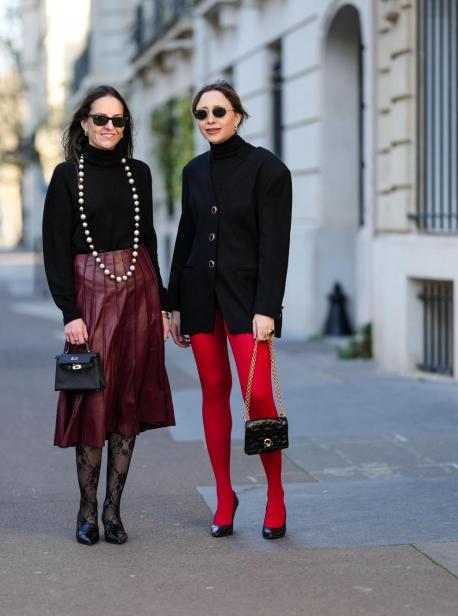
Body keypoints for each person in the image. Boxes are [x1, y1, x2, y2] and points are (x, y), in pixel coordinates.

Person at [42, 85, 175, 546]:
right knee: (93, 399)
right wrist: (69, 312)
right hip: (91, 293)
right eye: (102, 120)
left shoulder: (138, 173)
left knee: (126, 402)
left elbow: (150, 239)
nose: (110, 128)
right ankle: (86, 510)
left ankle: (113, 510)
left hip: (138, 292)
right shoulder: (65, 177)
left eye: (119, 121)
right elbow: (55, 249)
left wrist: (163, 302)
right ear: (84, 123)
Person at [168, 80, 292, 539]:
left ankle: (275, 494)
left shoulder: (268, 170)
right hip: (200, 298)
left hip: (247, 303)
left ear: (238, 114)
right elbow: (186, 236)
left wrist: (268, 309)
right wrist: (173, 303)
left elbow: (275, 247)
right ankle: (224, 494)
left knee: (258, 396)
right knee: (213, 391)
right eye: (201, 114)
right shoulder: (193, 172)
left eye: (218, 111)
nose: (210, 120)